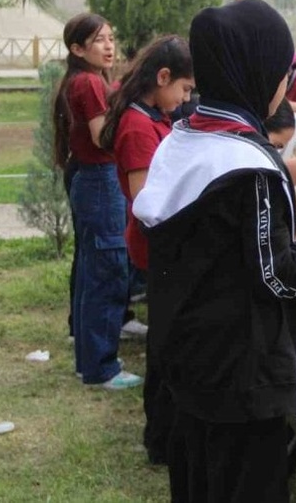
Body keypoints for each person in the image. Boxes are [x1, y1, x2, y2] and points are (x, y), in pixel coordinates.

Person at [131, 0, 296, 503]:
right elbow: (277, 276)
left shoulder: (182, 136)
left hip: (186, 364)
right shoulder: (247, 164)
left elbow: (214, 249)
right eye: (280, 70)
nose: (282, 83)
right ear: (254, 70)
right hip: (239, 379)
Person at [98, 35, 195, 463]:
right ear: (162, 77)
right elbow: (144, 201)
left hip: (163, 247)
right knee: (164, 351)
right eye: (185, 90)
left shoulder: (152, 116)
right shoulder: (138, 126)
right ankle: (161, 439)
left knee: (166, 345)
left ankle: (164, 435)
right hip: (157, 248)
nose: (186, 99)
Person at [52, 13, 142, 390]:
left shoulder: (79, 80)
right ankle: (102, 368)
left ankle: (88, 360)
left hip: (88, 179)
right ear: (77, 48)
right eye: (99, 40)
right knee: (108, 269)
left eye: (110, 38)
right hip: (100, 180)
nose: (109, 46)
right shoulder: (89, 83)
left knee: (93, 270)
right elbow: (102, 137)